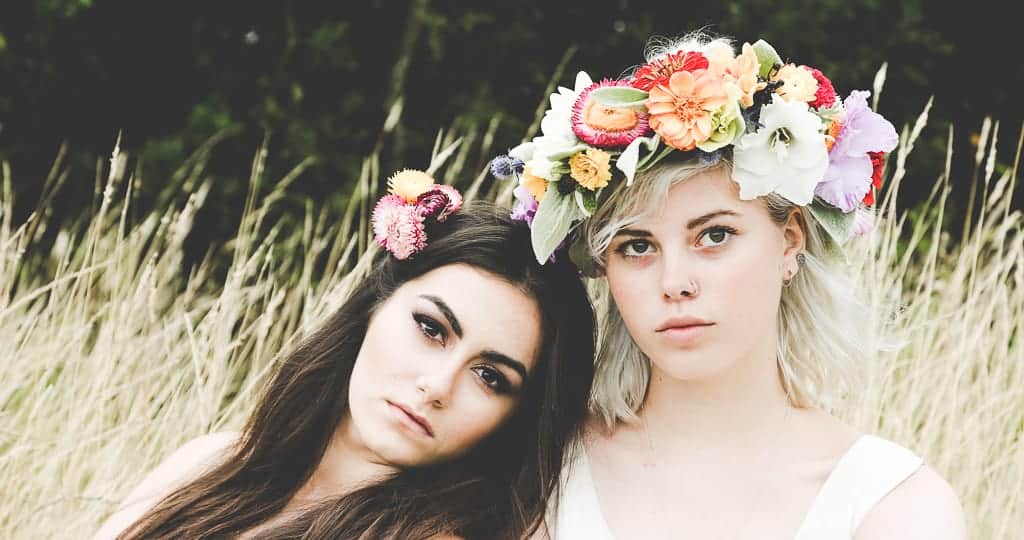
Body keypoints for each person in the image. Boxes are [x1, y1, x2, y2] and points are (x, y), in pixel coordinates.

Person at [492, 32, 966, 539]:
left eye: (714, 235)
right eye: (637, 245)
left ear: (789, 242)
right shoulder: (537, 477)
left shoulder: (893, 505)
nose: (675, 283)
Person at [92, 171, 596, 540]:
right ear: (376, 307)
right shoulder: (208, 464)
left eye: (489, 376)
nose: (438, 385)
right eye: (431, 329)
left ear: (516, 416)